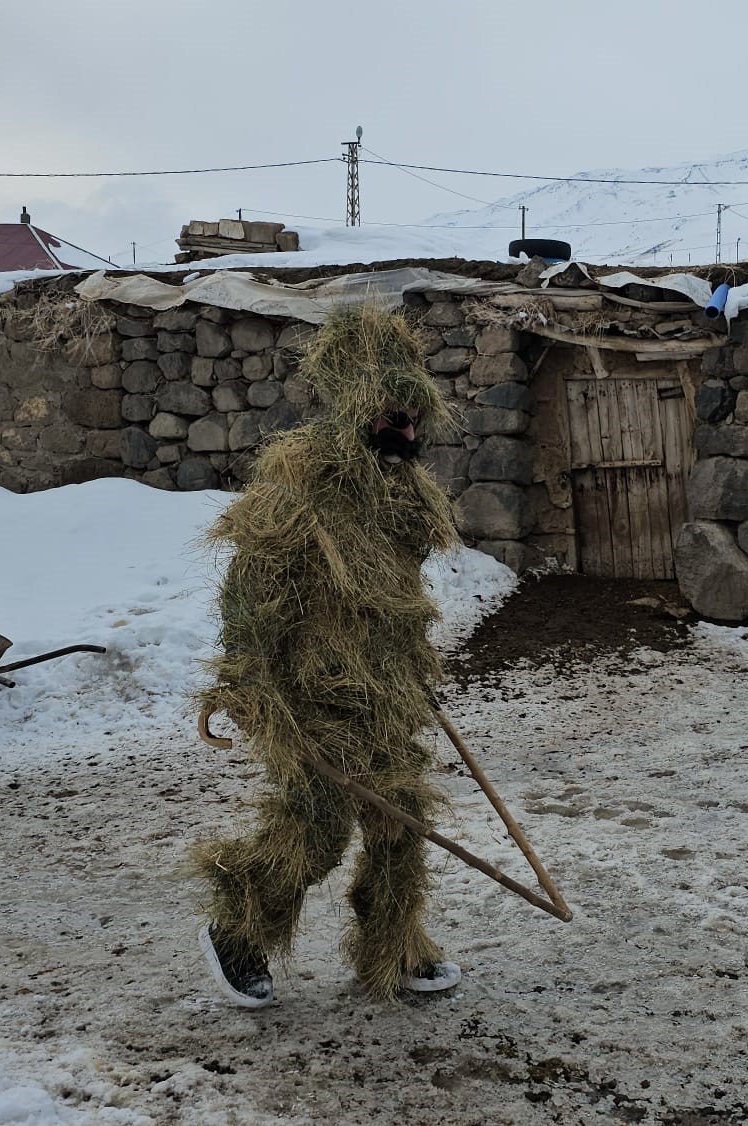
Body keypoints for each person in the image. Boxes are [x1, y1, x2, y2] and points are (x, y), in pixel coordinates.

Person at [192, 302, 464, 1006]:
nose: (402, 430)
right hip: (308, 694)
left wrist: (412, 669)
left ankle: (394, 950)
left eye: (410, 417)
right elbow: (253, 588)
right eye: (387, 415)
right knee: (313, 826)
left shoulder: (403, 494)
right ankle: (238, 930)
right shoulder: (300, 484)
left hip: (382, 692)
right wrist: (245, 680)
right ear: (351, 405)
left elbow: (397, 597)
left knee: (403, 822)